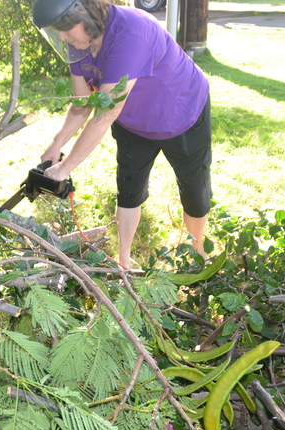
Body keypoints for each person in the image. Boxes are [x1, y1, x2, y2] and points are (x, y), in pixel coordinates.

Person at [32, 0, 212, 267]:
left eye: (65, 28)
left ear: (85, 15)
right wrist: (56, 145)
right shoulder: (79, 38)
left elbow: (104, 114)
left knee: (194, 190)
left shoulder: (131, 34)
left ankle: (197, 252)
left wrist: (65, 167)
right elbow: (82, 102)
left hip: (180, 112)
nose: (62, 36)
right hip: (131, 121)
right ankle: (124, 261)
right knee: (128, 190)